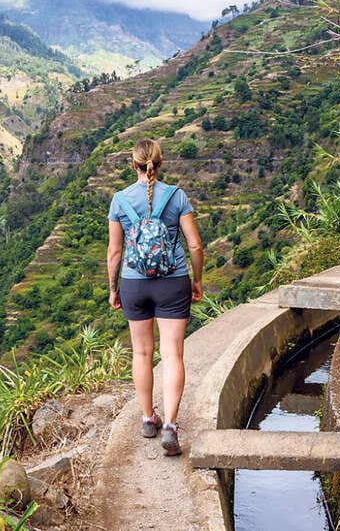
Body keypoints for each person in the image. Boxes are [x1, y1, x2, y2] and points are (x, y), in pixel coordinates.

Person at [107, 139, 203, 456]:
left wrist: (113, 288)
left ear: (132, 164)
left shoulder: (120, 200)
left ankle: (148, 419)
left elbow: (114, 252)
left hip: (135, 284)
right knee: (172, 354)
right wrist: (197, 280)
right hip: (173, 282)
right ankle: (170, 427)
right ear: (160, 164)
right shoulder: (177, 196)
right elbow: (195, 246)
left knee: (141, 353)